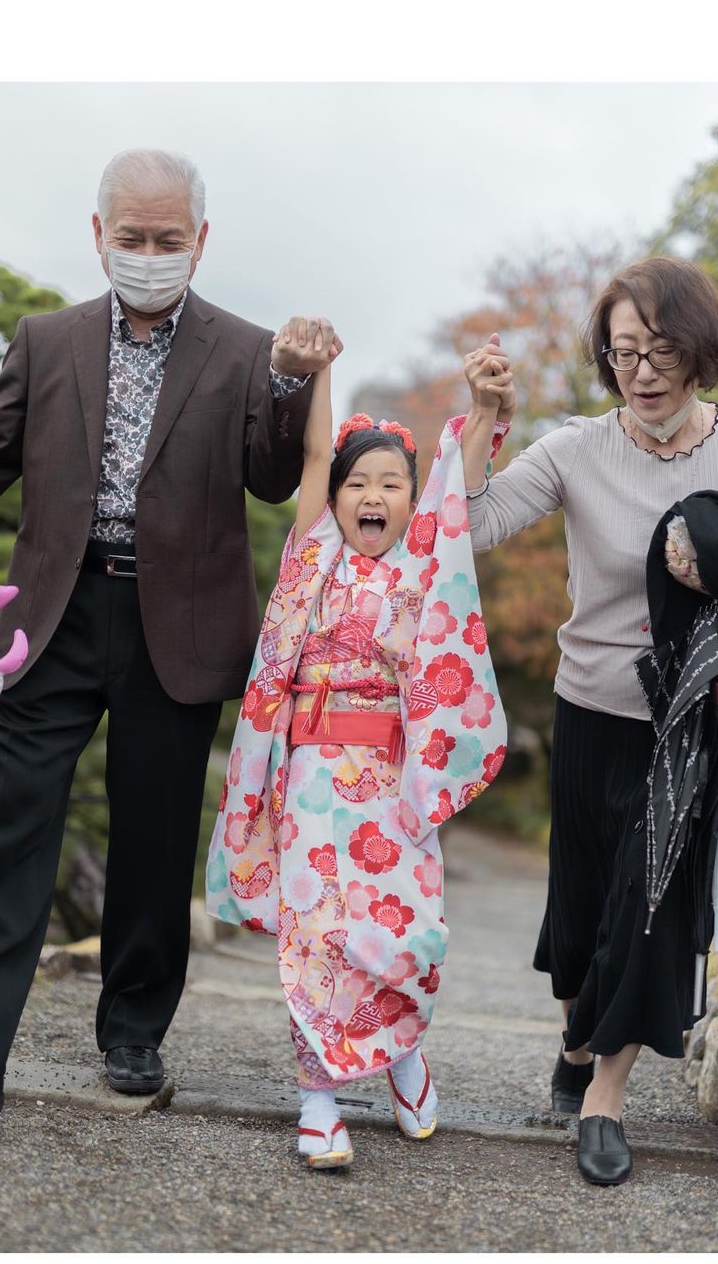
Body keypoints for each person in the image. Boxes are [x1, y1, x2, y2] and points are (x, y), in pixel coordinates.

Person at [0, 147, 341, 1110]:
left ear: (200, 241)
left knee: (153, 840)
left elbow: (273, 478)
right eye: (131, 237)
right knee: (8, 826)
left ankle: (134, 1034)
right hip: (47, 620)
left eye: (167, 239)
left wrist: (292, 383)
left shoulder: (245, 348)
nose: (148, 253)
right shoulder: (44, 338)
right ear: (99, 237)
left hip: (175, 626)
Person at [459, 257, 718, 1185]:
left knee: (651, 897)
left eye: (662, 348)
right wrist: (481, 418)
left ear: (700, 348)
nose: (643, 369)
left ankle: (605, 1100)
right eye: (624, 351)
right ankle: (576, 1039)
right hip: (590, 705)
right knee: (586, 908)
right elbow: (467, 528)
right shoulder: (575, 448)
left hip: (693, 722)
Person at [206, 341, 508, 1168]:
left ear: (413, 502)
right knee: (316, 939)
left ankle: (404, 1051)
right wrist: (322, 369)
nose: (372, 496)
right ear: (335, 499)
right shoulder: (313, 558)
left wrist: (481, 408)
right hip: (310, 781)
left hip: (394, 785)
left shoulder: (425, 567)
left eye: (391, 485)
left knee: (406, 931)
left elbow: (460, 480)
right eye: (356, 484)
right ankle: (318, 1100)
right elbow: (313, 448)